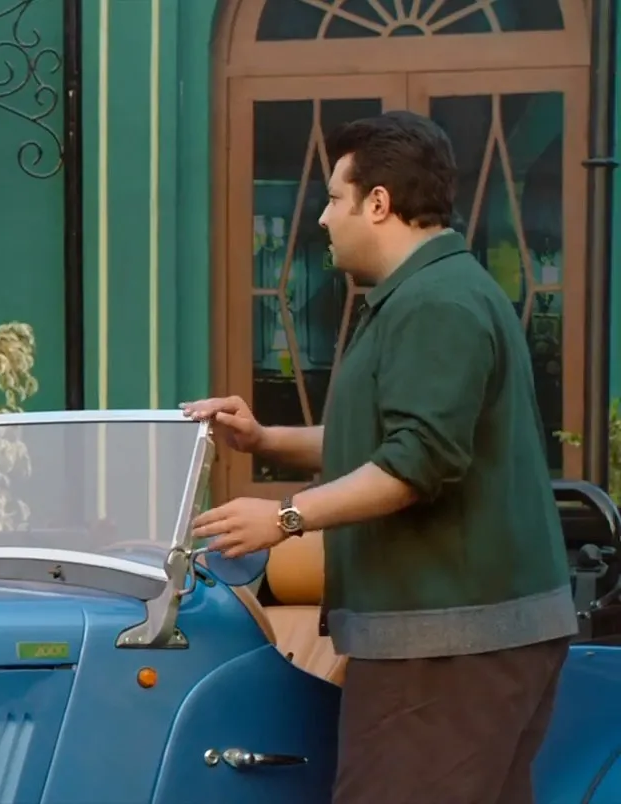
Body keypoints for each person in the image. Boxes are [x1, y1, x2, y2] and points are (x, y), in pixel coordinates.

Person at [182, 110, 576, 804]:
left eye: (334, 198)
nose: (323, 218)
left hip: (449, 643)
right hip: (454, 641)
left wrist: (285, 518)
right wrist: (265, 439)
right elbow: (385, 442)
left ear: (379, 203)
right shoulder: (425, 294)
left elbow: (416, 463)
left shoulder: (438, 303)